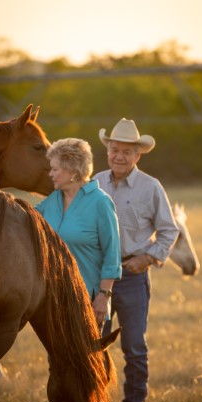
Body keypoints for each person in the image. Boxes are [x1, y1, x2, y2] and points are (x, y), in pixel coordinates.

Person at [94, 118, 179, 402]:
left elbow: (169, 232)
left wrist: (147, 258)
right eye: (114, 149)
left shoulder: (151, 187)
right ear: (108, 150)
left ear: (137, 155)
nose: (118, 156)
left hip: (131, 275)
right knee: (93, 343)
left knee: (134, 346)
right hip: (96, 276)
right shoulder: (95, 183)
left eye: (126, 151)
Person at [35, 137, 122, 328]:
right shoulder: (52, 200)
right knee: (56, 358)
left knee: (86, 357)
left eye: (55, 169)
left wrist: (103, 296)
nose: (50, 174)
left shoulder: (101, 202)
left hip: (89, 301)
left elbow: (112, 255)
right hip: (55, 300)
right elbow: (25, 219)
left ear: (73, 171)